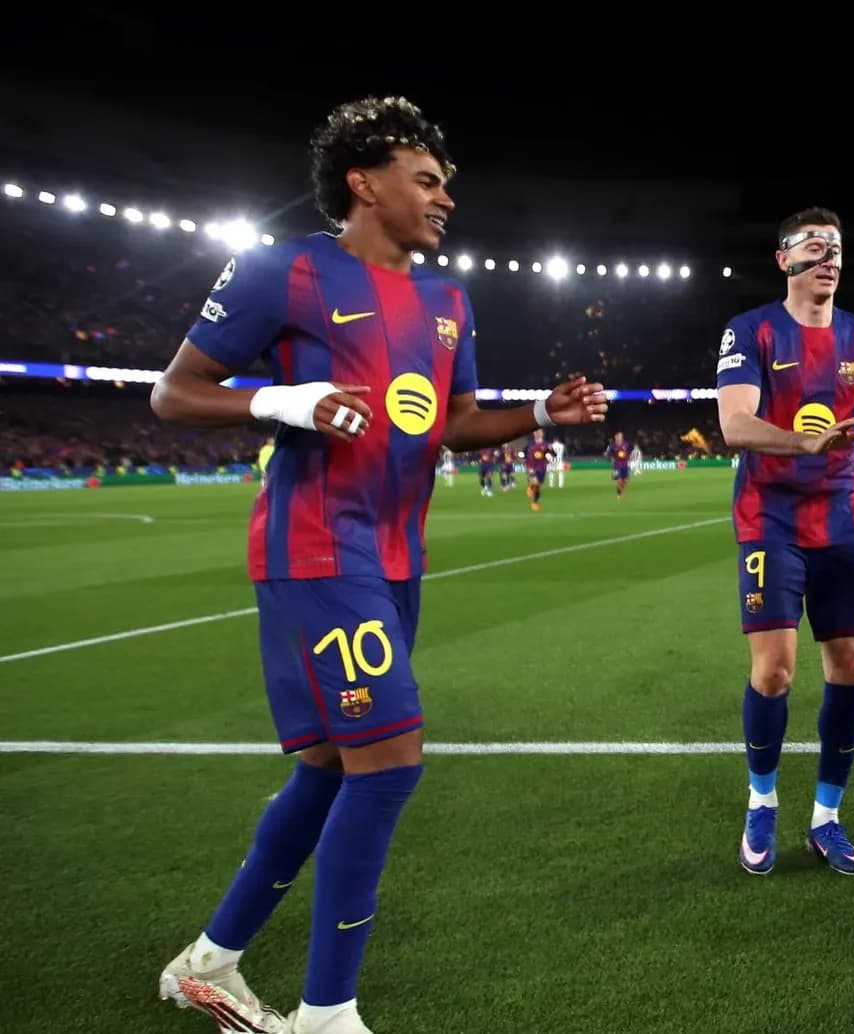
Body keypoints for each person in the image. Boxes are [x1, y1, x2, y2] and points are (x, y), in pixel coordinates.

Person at [148, 96, 607, 1034]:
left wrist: (542, 417)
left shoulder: (447, 302)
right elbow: (174, 393)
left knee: (327, 764)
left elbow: (450, 423)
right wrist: (287, 401)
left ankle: (210, 959)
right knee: (390, 763)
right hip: (315, 547)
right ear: (364, 182)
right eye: (426, 180)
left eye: (446, 185)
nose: (444, 199)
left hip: (398, 554)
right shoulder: (286, 270)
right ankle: (328, 1016)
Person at [713, 206, 854, 878]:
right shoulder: (749, 331)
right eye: (814, 246)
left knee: (851, 667)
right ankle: (763, 800)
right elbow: (736, 424)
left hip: (841, 522)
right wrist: (809, 439)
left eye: (836, 246)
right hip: (769, 519)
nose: (828, 256)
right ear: (785, 260)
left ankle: (827, 819)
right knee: (774, 668)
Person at [525, 428, 551, 511]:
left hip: (542, 468)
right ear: (533, 433)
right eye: (536, 432)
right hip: (532, 467)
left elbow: (552, 454)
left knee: (539, 488)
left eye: (539, 432)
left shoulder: (546, 444)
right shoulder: (530, 444)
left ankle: (533, 492)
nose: (538, 433)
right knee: (535, 483)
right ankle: (534, 502)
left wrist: (551, 451)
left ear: (542, 433)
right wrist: (528, 467)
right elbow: (524, 454)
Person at [606, 431, 632, 500]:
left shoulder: (626, 444)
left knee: (626, 481)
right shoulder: (612, 446)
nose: (620, 438)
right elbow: (608, 454)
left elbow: (630, 452)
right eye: (618, 437)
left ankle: (620, 490)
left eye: (621, 436)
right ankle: (619, 494)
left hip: (625, 465)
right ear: (615, 437)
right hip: (617, 465)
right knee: (619, 480)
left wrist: (629, 457)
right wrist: (610, 459)